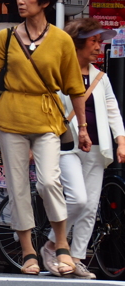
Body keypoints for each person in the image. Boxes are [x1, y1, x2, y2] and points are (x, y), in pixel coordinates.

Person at [0, 0, 90, 276]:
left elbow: (75, 88)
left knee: (49, 181)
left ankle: (60, 245)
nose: (21, 0)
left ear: (45, 2)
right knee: (18, 186)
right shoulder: (7, 37)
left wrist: (84, 129)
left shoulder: (62, 40)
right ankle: (28, 252)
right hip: (11, 118)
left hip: (47, 118)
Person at [42, 18, 125, 279]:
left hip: (97, 148)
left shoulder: (101, 77)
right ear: (77, 43)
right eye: (94, 41)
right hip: (66, 145)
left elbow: (112, 109)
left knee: (89, 207)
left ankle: (75, 259)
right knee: (77, 199)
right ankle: (53, 244)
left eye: (100, 41)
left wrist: (121, 140)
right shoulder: (57, 72)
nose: (99, 47)